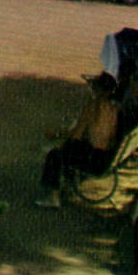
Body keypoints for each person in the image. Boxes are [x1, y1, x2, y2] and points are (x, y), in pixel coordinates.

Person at [36, 72, 121, 209]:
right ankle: (67, 183)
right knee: (68, 148)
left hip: (94, 160)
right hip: (106, 158)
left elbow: (76, 134)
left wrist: (56, 135)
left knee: (55, 154)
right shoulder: (114, 108)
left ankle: (53, 197)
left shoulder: (93, 105)